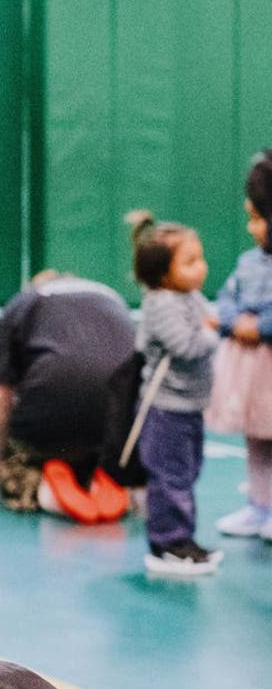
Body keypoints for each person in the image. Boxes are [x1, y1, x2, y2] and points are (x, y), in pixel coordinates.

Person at [0, 271, 136, 519]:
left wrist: (1, 452)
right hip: (119, 425)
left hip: (51, 423)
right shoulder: (113, 299)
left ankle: (40, 488)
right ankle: (112, 480)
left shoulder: (23, 302)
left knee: (15, 463)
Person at [130, 213, 224, 577]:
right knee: (170, 477)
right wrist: (211, 333)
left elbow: (208, 320)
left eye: (200, 258)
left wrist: (209, 325)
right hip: (165, 410)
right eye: (189, 262)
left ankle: (183, 539)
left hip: (188, 408)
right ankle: (167, 544)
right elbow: (187, 344)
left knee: (185, 473)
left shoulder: (188, 296)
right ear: (162, 273)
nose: (201, 268)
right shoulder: (162, 303)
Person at [210, 153, 272, 539]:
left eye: (258, 218)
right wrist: (235, 322)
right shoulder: (248, 262)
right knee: (258, 438)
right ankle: (259, 504)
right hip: (253, 374)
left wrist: (262, 327)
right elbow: (225, 299)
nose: (251, 228)